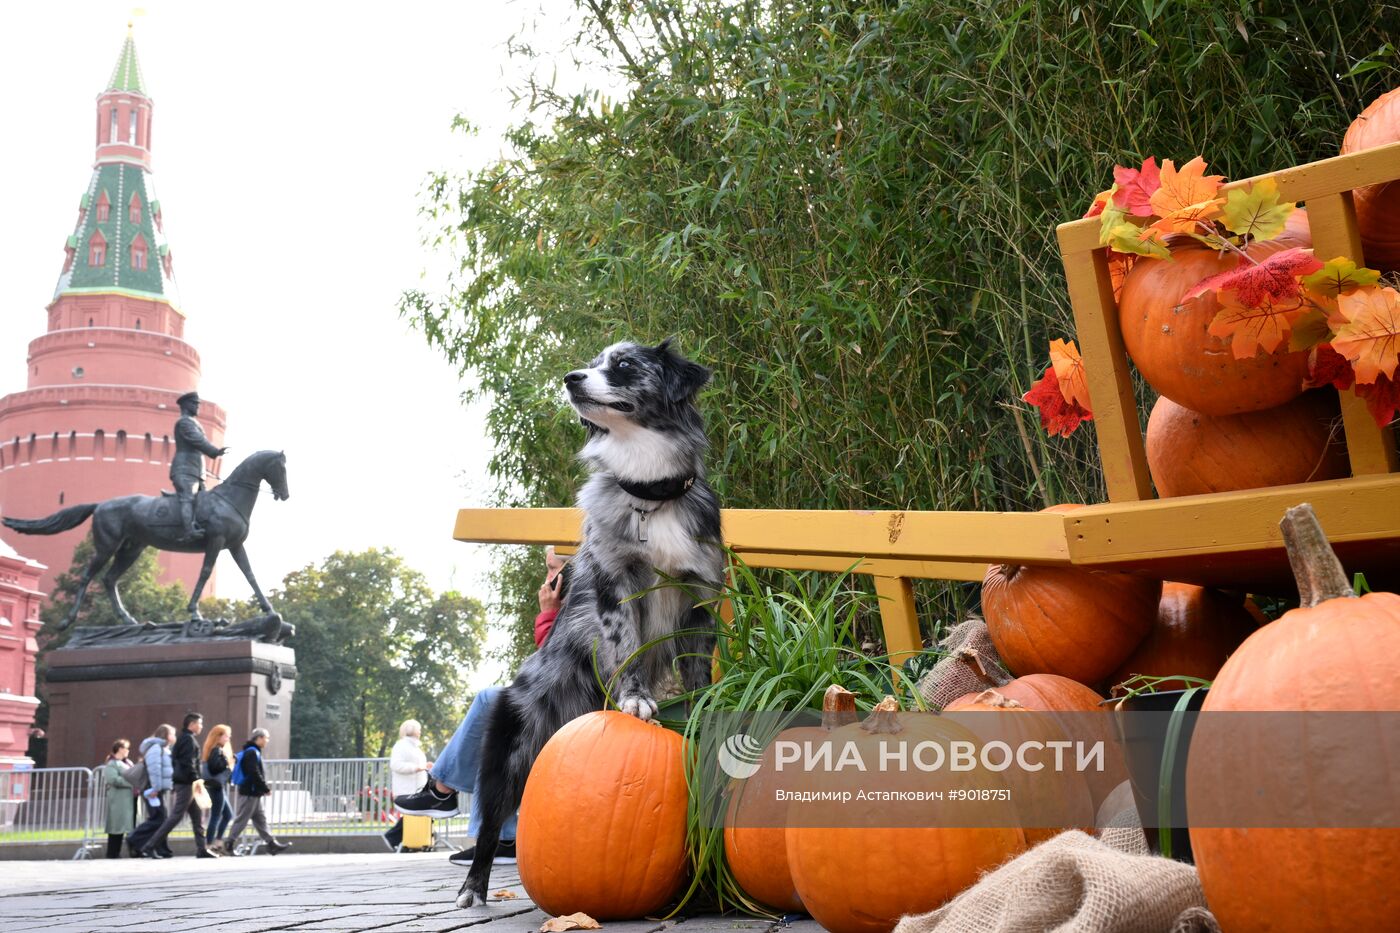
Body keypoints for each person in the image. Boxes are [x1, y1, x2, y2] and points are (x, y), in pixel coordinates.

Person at [396, 547, 566, 866]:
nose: (546, 578)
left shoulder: (586, 606)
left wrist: (548, 614)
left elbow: (554, 663)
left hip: (577, 715)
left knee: (493, 703)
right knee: (494, 712)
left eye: (551, 569)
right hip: (560, 709)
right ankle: (495, 833)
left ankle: (446, 794)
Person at [144, 712, 216, 858]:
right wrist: (196, 780)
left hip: (187, 782)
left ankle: (201, 848)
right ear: (192, 724)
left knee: (197, 817)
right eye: (200, 723)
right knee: (176, 816)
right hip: (187, 783)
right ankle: (150, 846)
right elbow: (188, 763)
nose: (201, 726)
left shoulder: (184, 739)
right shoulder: (188, 740)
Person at [223, 728, 291, 856]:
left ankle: (272, 844)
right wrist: (264, 788)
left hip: (253, 793)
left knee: (261, 820)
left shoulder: (252, 751)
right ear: (259, 738)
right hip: (250, 792)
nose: (267, 741)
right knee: (242, 819)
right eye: (266, 738)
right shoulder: (252, 753)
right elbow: (254, 772)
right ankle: (229, 844)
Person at [170, 390, 228, 540]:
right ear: (186, 405)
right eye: (195, 404)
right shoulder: (184, 422)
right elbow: (196, 440)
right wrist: (214, 451)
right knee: (188, 497)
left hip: (196, 471)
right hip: (184, 470)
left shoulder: (193, 422)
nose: (198, 406)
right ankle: (189, 531)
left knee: (204, 502)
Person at [126, 724, 175, 858]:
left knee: (161, 818)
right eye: (172, 734)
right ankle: (134, 838)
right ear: (165, 735)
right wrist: (156, 788)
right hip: (152, 788)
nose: (174, 737)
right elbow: (154, 769)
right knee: (158, 819)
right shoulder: (156, 748)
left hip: (157, 788)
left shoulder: (164, 749)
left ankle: (160, 848)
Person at [201, 724, 236, 855]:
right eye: (226, 735)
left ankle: (217, 842)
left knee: (227, 814)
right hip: (216, 786)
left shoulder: (214, 749)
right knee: (216, 815)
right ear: (219, 736)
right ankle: (210, 844)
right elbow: (215, 767)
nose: (229, 738)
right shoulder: (216, 750)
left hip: (216, 785)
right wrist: (228, 762)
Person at [102, 739, 136, 858]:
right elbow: (113, 779)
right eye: (126, 748)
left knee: (131, 825)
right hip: (119, 799)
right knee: (117, 826)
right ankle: (113, 852)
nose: (128, 751)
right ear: (120, 749)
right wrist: (131, 783)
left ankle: (134, 851)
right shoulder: (112, 763)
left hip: (131, 798)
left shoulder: (128, 762)